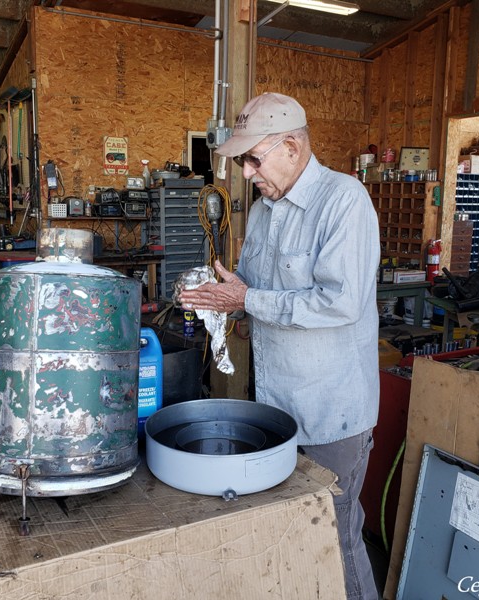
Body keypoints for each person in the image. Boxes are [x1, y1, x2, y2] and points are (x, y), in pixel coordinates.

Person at [177, 92, 380, 600]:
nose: (246, 173)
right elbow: (259, 286)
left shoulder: (344, 200)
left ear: (292, 146)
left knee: (335, 534)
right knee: (292, 529)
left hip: (331, 413)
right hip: (277, 407)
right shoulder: (267, 208)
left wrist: (249, 297)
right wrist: (224, 294)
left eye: (252, 158)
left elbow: (341, 304)